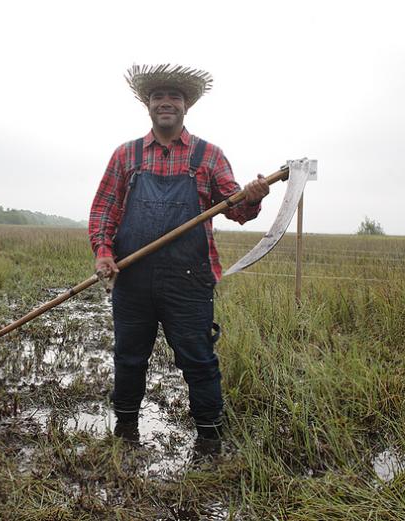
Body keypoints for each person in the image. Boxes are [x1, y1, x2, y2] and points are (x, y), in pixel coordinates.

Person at [88, 64, 269, 452]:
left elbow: (234, 209)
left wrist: (252, 198)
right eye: (158, 97)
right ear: (148, 106)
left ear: (186, 106)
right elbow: (104, 210)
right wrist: (104, 254)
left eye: (174, 97)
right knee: (129, 358)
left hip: (189, 281)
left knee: (199, 361)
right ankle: (126, 433)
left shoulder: (209, 156)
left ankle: (209, 440)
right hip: (132, 278)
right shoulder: (126, 156)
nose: (165, 102)